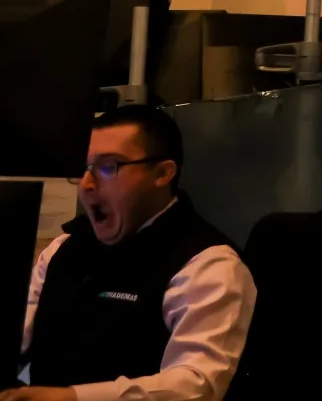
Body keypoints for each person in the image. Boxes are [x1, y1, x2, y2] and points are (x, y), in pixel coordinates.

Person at [10, 104, 256, 401]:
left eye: (107, 167)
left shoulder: (208, 265)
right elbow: (17, 336)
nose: (87, 185)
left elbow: (195, 385)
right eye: (83, 169)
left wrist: (72, 397)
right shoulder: (62, 249)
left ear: (163, 173)